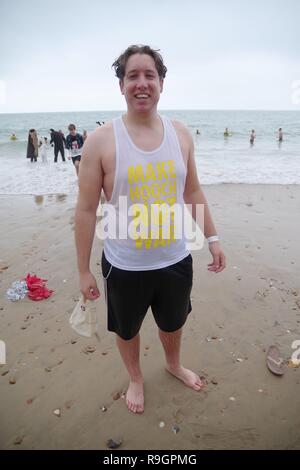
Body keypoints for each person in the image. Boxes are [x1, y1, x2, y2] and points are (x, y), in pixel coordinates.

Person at [74, 45, 226, 414]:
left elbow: (192, 189)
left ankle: (173, 364)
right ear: (121, 85)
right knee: (126, 330)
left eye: (149, 76)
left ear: (161, 83)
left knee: (173, 322)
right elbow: (86, 209)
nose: (141, 84)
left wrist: (213, 238)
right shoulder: (101, 140)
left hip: (175, 258)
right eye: (132, 76)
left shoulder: (180, 133)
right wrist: (82, 270)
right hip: (124, 264)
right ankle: (136, 378)